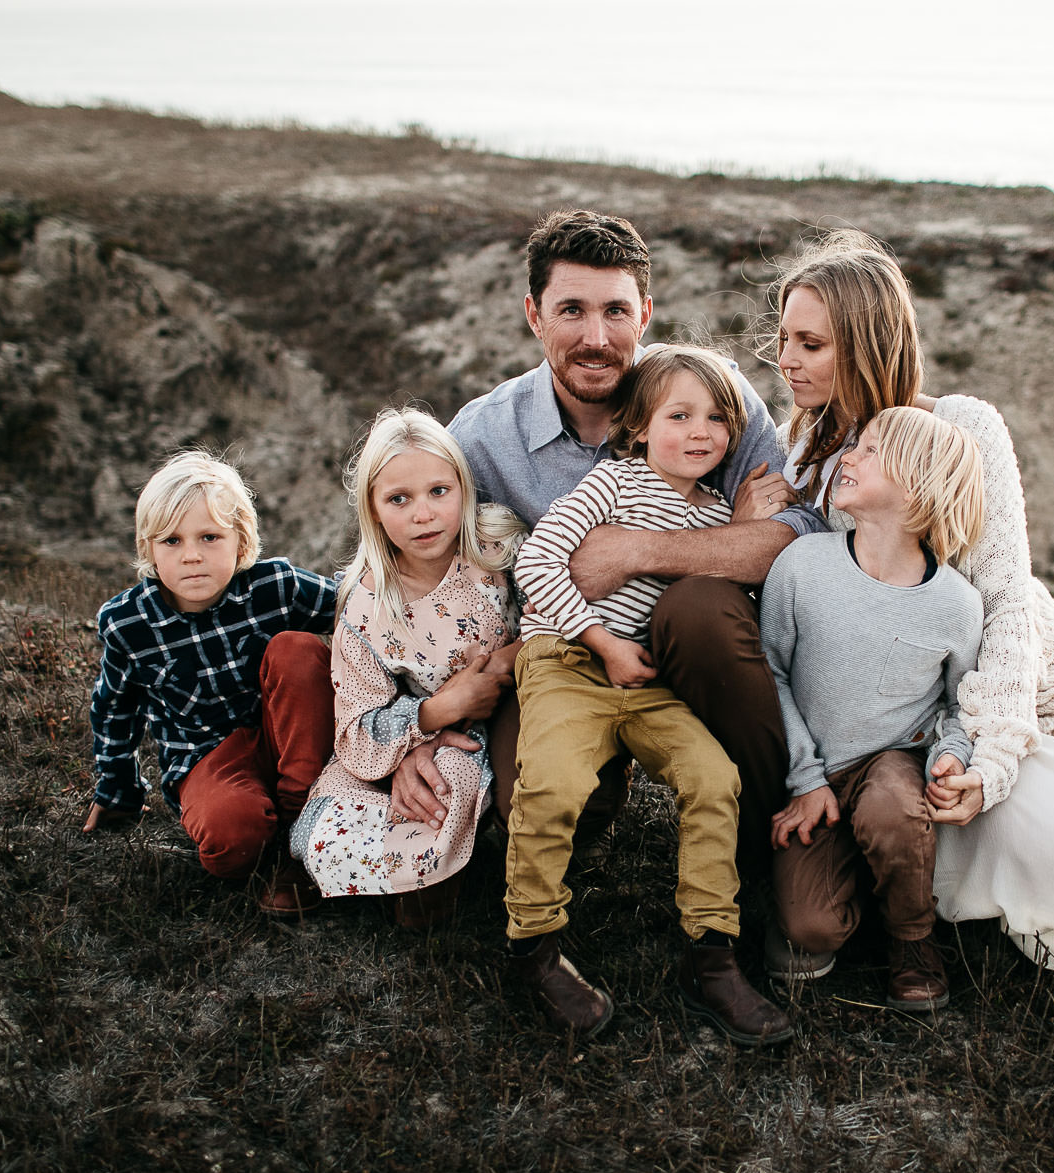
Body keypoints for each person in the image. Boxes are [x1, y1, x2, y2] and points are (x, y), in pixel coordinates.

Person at [771, 229, 1054, 997]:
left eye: (810, 343)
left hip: (1021, 659)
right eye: (784, 338)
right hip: (909, 700)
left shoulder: (965, 426)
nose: (786, 360)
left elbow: (1009, 602)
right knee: (1020, 818)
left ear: (866, 344)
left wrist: (995, 754)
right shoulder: (807, 459)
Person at [423, 209, 803, 885]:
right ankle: (596, 793)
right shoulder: (480, 439)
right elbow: (426, 584)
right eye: (571, 310)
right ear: (534, 314)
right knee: (536, 811)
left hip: (686, 646)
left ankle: (770, 835)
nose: (596, 338)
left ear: (646, 313)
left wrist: (634, 551)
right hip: (555, 656)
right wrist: (425, 723)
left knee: (702, 608)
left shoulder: (709, 398)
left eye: (616, 312)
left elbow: (789, 541)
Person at [504, 345, 793, 1044]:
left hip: (644, 681)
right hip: (569, 661)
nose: (702, 432)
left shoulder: (715, 512)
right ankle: (532, 947)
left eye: (718, 418)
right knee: (550, 783)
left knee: (712, 778)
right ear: (636, 428)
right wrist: (602, 643)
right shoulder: (610, 484)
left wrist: (742, 529)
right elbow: (535, 563)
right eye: (680, 415)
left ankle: (711, 956)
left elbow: (734, 592)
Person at [762, 406, 985, 1013]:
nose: (848, 457)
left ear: (918, 484)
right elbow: (770, 672)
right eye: (851, 447)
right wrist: (806, 777)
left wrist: (949, 756)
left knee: (891, 804)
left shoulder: (956, 605)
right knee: (806, 938)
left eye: (869, 450)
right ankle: (858, 876)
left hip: (890, 760)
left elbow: (957, 706)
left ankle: (912, 939)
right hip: (810, 771)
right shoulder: (803, 566)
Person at [288, 409, 526, 929]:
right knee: (330, 828)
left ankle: (432, 878)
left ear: (464, 488)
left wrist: (508, 660)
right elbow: (355, 726)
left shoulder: (498, 548)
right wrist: (433, 717)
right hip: (421, 733)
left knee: (453, 780)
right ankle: (402, 879)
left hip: (503, 719)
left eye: (439, 491)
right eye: (399, 499)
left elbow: (553, 610)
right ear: (373, 511)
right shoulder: (367, 605)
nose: (423, 514)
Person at [86, 448, 337, 917]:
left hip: (291, 741)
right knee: (230, 841)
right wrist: (117, 792)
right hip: (207, 757)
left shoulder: (275, 585)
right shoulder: (128, 624)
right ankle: (264, 839)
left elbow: (359, 605)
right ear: (149, 549)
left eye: (209, 537)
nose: (192, 557)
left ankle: (309, 826)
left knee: (297, 649)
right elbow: (115, 710)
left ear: (241, 542)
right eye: (172, 542)